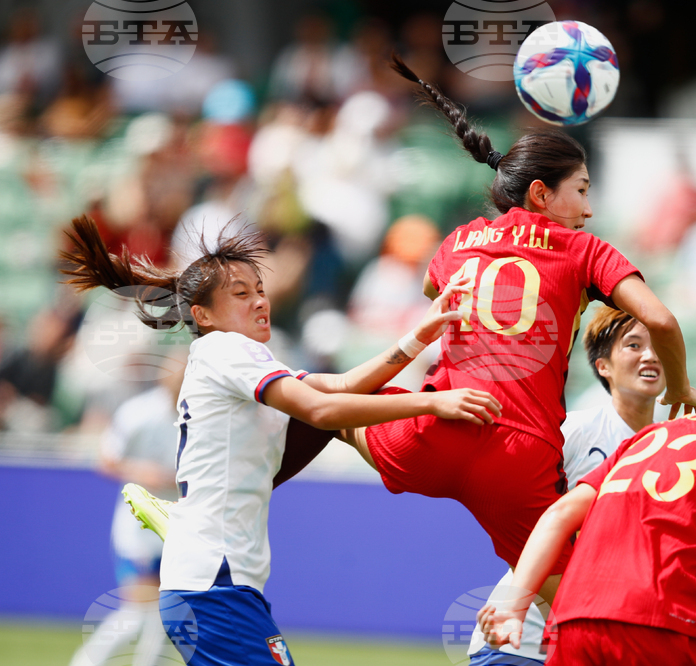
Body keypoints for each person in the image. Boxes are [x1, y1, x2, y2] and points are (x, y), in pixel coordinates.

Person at [335, 55, 696, 592]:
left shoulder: (457, 240)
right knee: (574, 605)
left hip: (434, 436)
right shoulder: (581, 247)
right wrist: (682, 386)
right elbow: (662, 321)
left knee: (328, 406)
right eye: (580, 190)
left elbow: (431, 288)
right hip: (517, 456)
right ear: (541, 194)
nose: (588, 208)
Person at [60, 215, 500, 666]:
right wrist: (431, 404)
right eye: (241, 293)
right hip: (215, 584)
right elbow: (322, 410)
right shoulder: (228, 350)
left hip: (215, 583)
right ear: (203, 315)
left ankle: (186, 519)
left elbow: (344, 385)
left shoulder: (233, 359)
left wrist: (419, 335)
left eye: (260, 290)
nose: (259, 301)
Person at [479, 329, 696, 665]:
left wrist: (514, 606)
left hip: (572, 624)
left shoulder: (650, 436)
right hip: (662, 625)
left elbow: (558, 516)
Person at [468, 306, 668, 664]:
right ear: (602, 365)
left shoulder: (676, 447)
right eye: (634, 345)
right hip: (521, 643)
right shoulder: (574, 430)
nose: (650, 356)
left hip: (599, 644)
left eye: (658, 346)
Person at [68, 367, 184, 666]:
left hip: (179, 525)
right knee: (139, 610)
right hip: (139, 525)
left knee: (169, 613)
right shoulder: (139, 412)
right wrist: (146, 473)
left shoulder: (203, 414)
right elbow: (106, 459)